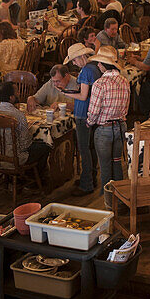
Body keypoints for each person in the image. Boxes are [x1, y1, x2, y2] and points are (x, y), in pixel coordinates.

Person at [85, 46, 129, 206]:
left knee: (105, 166)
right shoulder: (125, 81)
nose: (97, 65)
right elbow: (126, 107)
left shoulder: (99, 84)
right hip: (120, 126)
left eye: (99, 63)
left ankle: (108, 202)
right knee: (117, 161)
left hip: (104, 129)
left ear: (104, 65)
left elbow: (94, 110)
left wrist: (89, 122)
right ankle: (122, 199)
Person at [60, 43, 100, 197]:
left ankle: (86, 184)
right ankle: (91, 178)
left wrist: (66, 93)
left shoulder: (85, 72)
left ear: (81, 57)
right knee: (91, 148)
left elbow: (83, 96)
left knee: (84, 149)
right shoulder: (96, 68)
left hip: (83, 112)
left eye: (74, 60)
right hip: (93, 111)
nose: (74, 63)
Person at [0, 82, 51, 167]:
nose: (19, 93)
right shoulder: (18, 115)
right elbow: (25, 145)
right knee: (46, 145)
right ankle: (36, 176)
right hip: (14, 159)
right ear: (11, 98)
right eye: (17, 92)